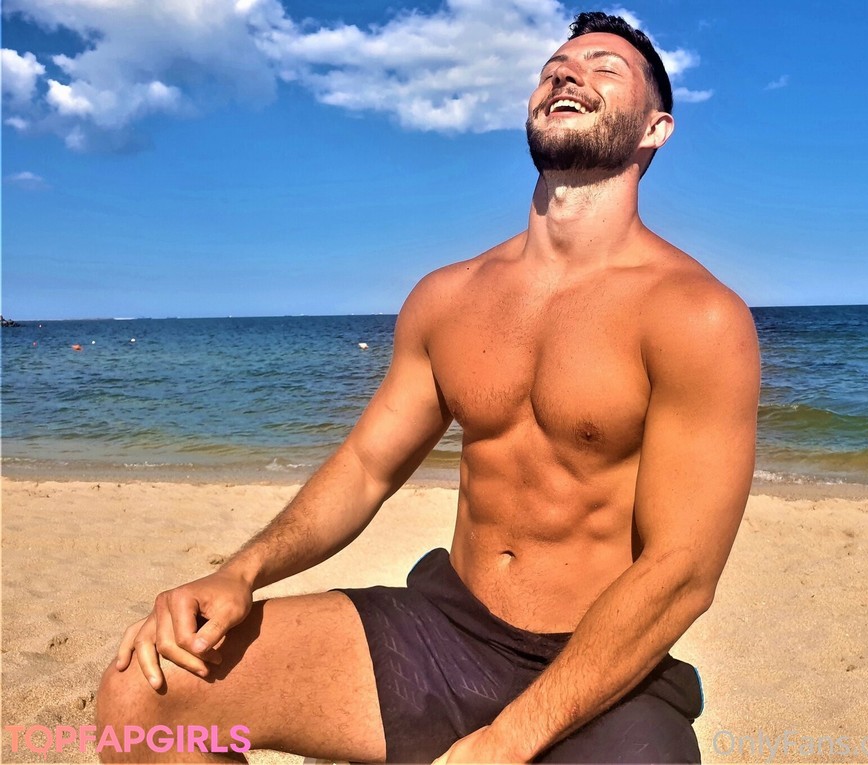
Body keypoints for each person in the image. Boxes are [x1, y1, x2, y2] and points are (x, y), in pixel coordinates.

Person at [95, 11, 759, 763]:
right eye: (556, 66)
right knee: (143, 695)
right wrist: (240, 572)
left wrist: (505, 741)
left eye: (606, 67)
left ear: (655, 129)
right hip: (446, 632)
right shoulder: (449, 298)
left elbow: (681, 572)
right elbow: (366, 467)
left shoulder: (695, 314)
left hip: (603, 664)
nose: (569, 73)